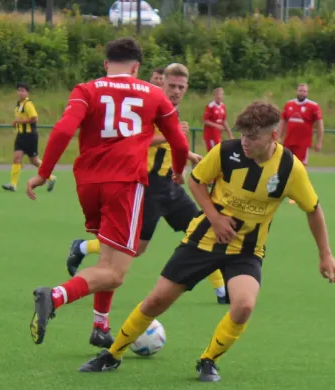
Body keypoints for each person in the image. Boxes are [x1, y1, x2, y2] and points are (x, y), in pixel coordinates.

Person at [78, 101, 335, 382]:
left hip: (247, 250)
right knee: (157, 300)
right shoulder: (227, 152)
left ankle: (208, 360)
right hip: (202, 241)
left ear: (273, 136)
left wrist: (326, 255)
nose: (245, 142)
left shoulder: (290, 168)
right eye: (243, 135)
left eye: (253, 137)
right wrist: (214, 217)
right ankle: (113, 354)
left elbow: (313, 209)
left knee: (244, 305)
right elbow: (196, 180)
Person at [26, 38, 190, 346]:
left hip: (88, 185)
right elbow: (179, 142)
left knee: (108, 258)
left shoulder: (85, 90)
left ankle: (100, 326)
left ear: (105, 64)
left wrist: (43, 173)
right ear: (137, 67)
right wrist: (179, 171)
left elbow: (63, 130)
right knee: (115, 273)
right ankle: (55, 296)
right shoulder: (154, 94)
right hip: (124, 184)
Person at [65, 63, 229, 350]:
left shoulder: (170, 110)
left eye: (181, 87)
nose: (176, 91)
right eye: (171, 86)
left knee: (204, 226)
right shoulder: (148, 104)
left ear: (186, 88)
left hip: (171, 187)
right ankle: (83, 248)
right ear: (161, 84)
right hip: (148, 187)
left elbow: (169, 143)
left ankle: (221, 290)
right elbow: (134, 140)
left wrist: (187, 154)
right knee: (134, 249)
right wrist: (172, 136)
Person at [2, 82, 57, 193]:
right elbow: (20, 119)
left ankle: (51, 177)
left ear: (27, 93)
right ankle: (13, 184)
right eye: (19, 90)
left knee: (34, 161)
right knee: (17, 158)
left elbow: (34, 118)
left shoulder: (28, 104)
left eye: (23, 90)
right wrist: (15, 123)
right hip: (20, 136)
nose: (20, 93)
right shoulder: (18, 105)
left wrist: (19, 121)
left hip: (30, 136)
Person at [202, 87, 233, 151]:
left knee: (219, 153)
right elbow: (205, 121)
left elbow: (224, 120)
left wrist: (230, 134)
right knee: (213, 153)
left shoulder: (222, 106)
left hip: (218, 135)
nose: (219, 96)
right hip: (210, 135)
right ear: (214, 96)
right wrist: (217, 125)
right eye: (217, 94)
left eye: (221, 94)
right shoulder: (210, 106)